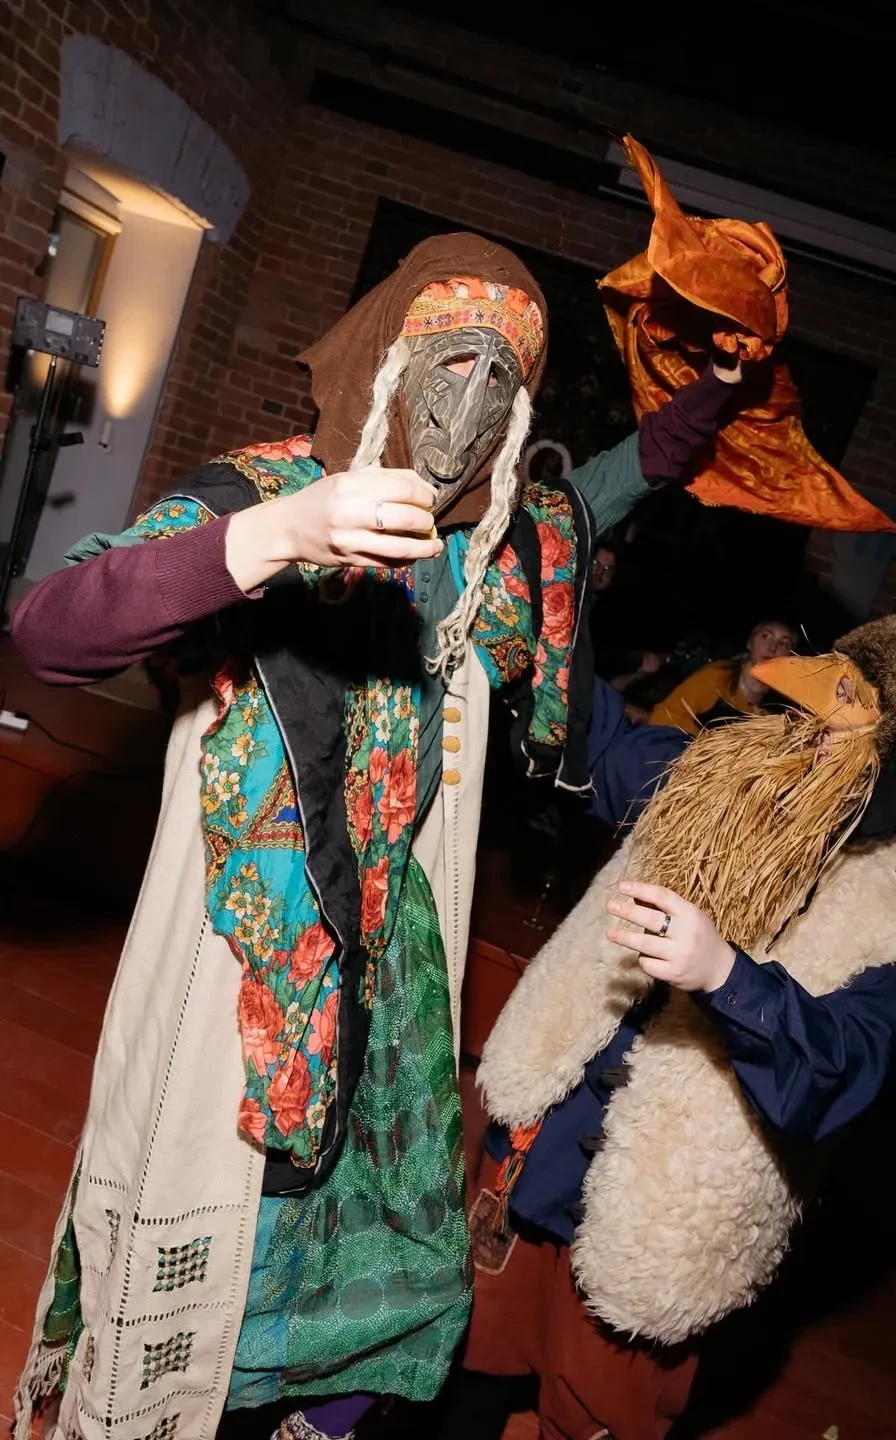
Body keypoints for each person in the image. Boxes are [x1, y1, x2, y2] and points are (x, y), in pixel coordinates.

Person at [10, 234, 750, 1440]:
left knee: (389, 1250)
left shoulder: (492, 547)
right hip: (249, 954)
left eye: (504, 381)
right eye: (452, 362)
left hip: (394, 960)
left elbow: (617, 483)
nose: (471, 404)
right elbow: (51, 633)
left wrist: (712, 393)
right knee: (218, 1221)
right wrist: (279, 538)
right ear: (390, 361)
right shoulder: (264, 495)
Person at [442, 612, 896, 1440]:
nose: (808, 737)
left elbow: (841, 1070)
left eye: (838, 727)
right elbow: (597, 738)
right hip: (539, 1153)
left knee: (592, 1415)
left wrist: (726, 977)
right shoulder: (722, 776)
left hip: (658, 1221)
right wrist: (537, 617)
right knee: (471, 1369)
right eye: (812, 712)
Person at [649, 617, 796, 731]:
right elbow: (665, 715)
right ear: (749, 643)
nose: (772, 648)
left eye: (784, 644)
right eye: (765, 636)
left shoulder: (784, 705)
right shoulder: (718, 676)